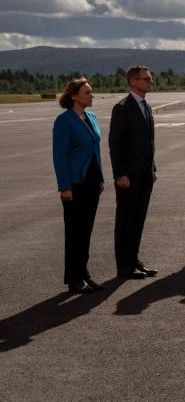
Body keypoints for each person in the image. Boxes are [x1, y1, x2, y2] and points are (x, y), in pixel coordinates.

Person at [52, 78, 106, 294]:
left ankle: (83, 274)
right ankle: (74, 279)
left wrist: (100, 178)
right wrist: (64, 186)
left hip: (92, 182)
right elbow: (59, 156)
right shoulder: (64, 121)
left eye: (91, 92)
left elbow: (95, 150)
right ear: (74, 96)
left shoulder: (90, 117)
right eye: (87, 92)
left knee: (86, 231)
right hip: (75, 183)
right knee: (75, 232)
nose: (92, 95)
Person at [109, 65, 158, 279]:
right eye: (145, 79)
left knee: (138, 220)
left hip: (145, 175)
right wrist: (119, 174)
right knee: (126, 221)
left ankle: (134, 259)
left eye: (150, 79)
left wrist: (152, 168)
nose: (150, 82)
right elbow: (115, 144)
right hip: (128, 176)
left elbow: (148, 142)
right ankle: (124, 266)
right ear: (133, 82)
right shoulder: (122, 108)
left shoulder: (144, 105)